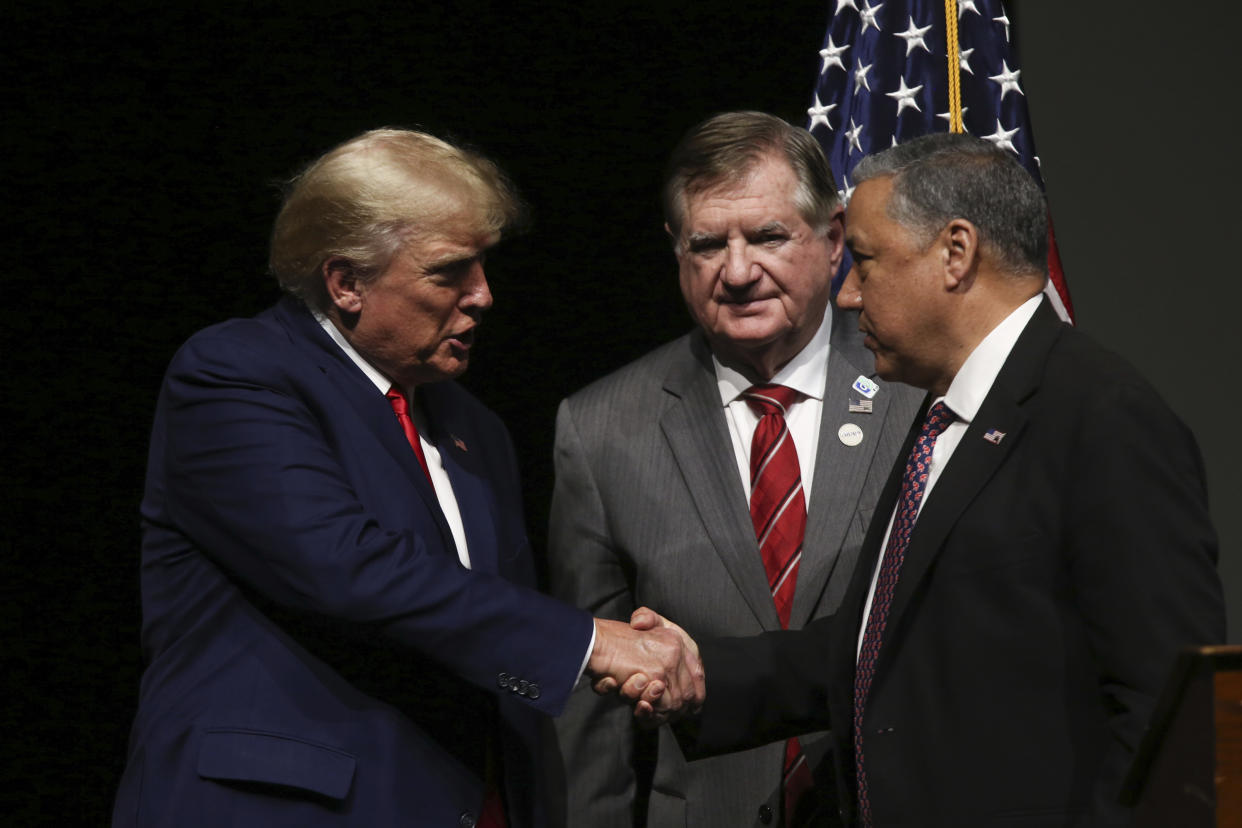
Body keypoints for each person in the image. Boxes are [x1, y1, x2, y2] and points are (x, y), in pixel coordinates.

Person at [112, 128, 701, 828]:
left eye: (484, 265)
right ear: (346, 282)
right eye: (449, 271)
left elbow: (479, 637)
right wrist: (589, 643)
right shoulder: (236, 375)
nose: (483, 296)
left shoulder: (474, 428)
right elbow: (346, 568)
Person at [638, 132, 1226, 826]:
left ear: (956, 253)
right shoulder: (946, 414)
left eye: (863, 261)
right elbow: (879, 644)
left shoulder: (1103, 420)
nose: (848, 295)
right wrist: (700, 672)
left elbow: (1171, 715)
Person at [547, 112, 921, 828]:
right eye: (709, 244)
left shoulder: (916, 390)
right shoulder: (600, 430)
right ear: (676, 251)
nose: (739, 271)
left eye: (769, 236)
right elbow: (587, 705)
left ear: (834, 238)